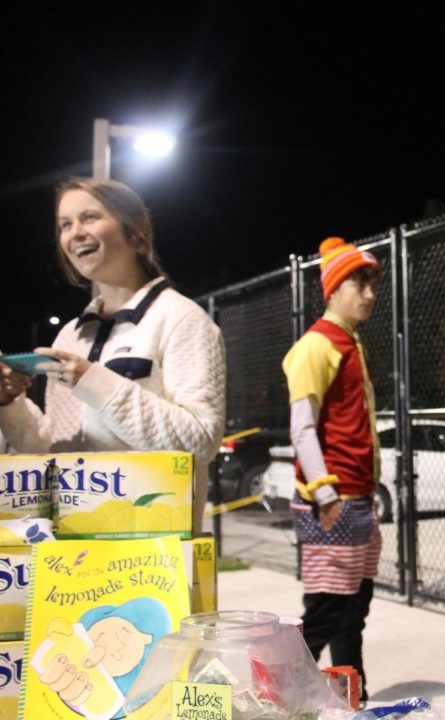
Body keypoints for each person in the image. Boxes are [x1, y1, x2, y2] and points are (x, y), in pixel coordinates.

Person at [0, 178, 226, 530]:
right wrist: (9, 404)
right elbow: (49, 447)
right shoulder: (70, 334)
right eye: (65, 224)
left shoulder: (181, 319)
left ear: (136, 232)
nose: (75, 233)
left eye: (89, 218)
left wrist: (91, 380)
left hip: (151, 561)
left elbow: (199, 441)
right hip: (73, 547)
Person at [282, 236, 383, 699]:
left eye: (371, 286)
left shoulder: (347, 341)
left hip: (356, 497)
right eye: (358, 284)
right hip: (334, 500)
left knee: (352, 606)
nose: (368, 295)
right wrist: (325, 496)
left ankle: (349, 695)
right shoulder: (316, 345)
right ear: (333, 287)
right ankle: (280, 691)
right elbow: (303, 428)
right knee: (326, 608)